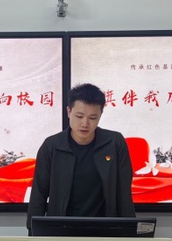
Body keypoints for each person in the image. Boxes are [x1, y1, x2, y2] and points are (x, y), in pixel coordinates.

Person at [26, 83, 135, 231]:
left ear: (100, 116)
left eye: (92, 118)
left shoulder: (114, 143)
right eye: (79, 116)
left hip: (105, 231)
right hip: (61, 231)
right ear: (69, 112)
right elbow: (39, 195)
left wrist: (130, 234)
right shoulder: (51, 146)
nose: (85, 124)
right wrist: (33, 234)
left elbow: (124, 195)